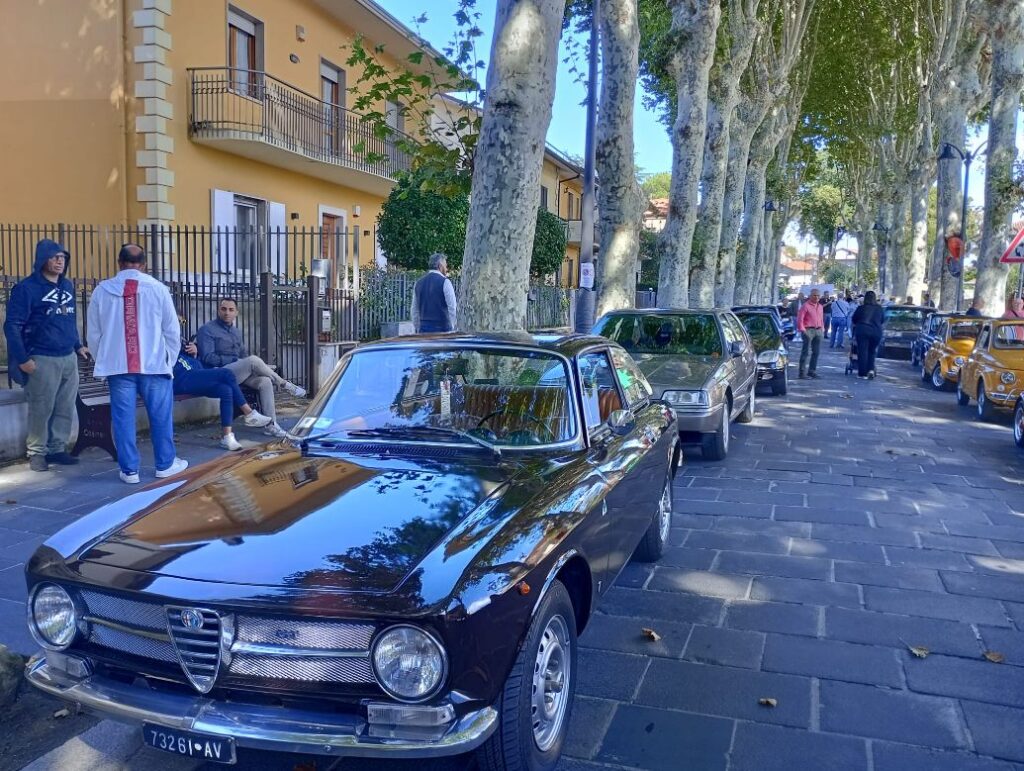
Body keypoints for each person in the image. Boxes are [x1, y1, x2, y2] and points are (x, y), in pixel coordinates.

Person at [87, 244, 187, 484]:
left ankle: (129, 470)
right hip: (153, 364)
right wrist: (168, 361)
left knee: (122, 419)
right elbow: (172, 330)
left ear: (119, 262)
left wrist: (105, 359)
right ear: (143, 265)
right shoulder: (158, 289)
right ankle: (165, 464)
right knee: (161, 416)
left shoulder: (102, 291)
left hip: (118, 366)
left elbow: (93, 333)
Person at [3, 239, 91, 471]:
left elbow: (69, 319)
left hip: (67, 358)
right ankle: (37, 452)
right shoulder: (26, 289)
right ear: (42, 259)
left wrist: (77, 345)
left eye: (62, 257)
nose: (59, 261)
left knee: (64, 406)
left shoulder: (67, 286)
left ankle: (57, 448)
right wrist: (22, 359)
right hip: (41, 358)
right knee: (41, 407)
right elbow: (12, 325)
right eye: (54, 257)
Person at [195, 297, 306, 438]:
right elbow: (208, 357)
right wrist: (237, 360)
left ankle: (271, 425)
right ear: (218, 311)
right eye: (223, 309)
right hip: (218, 373)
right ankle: (284, 384)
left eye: (230, 310)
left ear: (236, 312)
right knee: (253, 360)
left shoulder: (236, 332)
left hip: (237, 373)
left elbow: (243, 355)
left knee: (265, 381)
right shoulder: (207, 330)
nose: (227, 313)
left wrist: (244, 363)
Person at [174, 340, 272, 450]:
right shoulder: (160, 339)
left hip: (196, 372)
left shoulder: (178, 338)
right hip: (182, 378)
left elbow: (189, 353)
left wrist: (195, 351)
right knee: (227, 373)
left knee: (225, 389)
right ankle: (249, 413)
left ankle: (227, 437)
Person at [412, 252, 457, 333]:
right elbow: (452, 307)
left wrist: (417, 327)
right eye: (445, 266)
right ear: (440, 266)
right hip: (443, 329)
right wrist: (453, 327)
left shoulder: (418, 283)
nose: (446, 269)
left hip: (424, 328)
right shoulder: (445, 282)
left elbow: (414, 310)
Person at [851, 290, 885, 379]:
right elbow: (882, 320)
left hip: (862, 330)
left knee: (862, 352)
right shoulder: (879, 308)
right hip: (876, 331)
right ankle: (871, 369)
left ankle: (862, 373)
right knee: (872, 351)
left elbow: (854, 319)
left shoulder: (861, 308)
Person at [796, 288, 824, 379]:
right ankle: (802, 373)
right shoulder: (805, 306)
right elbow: (800, 319)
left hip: (818, 331)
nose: (816, 297)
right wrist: (803, 330)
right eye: (814, 295)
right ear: (810, 296)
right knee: (805, 352)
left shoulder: (820, 306)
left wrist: (822, 329)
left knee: (816, 352)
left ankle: (812, 371)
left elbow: (821, 318)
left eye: (818, 296)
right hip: (808, 330)